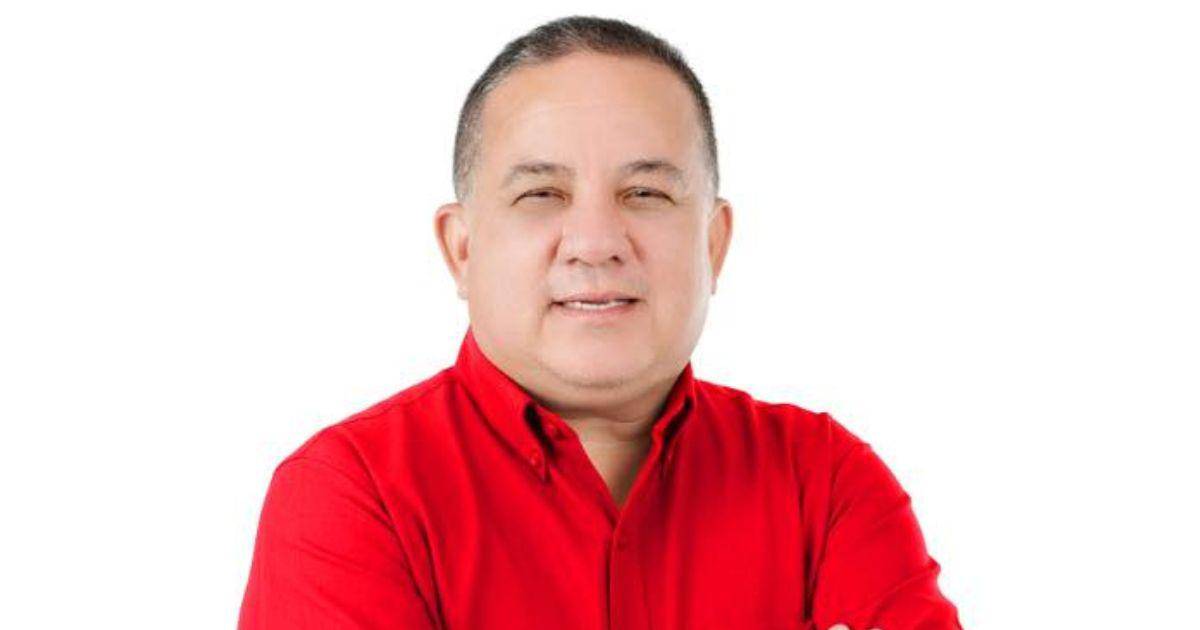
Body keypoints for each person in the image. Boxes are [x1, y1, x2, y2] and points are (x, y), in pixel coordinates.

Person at [237, 15, 963, 630]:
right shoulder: (350, 496)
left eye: (645, 192)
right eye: (541, 193)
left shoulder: (824, 483)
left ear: (713, 244)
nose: (595, 242)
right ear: (462, 249)